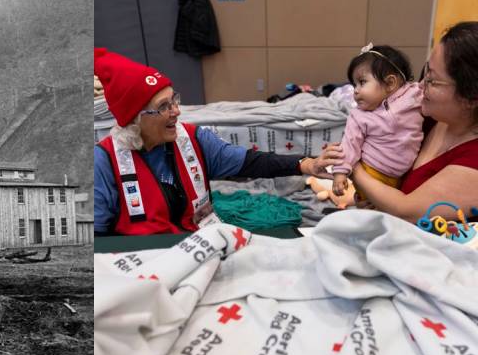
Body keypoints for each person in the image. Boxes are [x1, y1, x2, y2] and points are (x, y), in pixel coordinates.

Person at [93, 48, 342, 236]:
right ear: (135, 119)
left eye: (174, 100)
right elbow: (99, 237)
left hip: (198, 240)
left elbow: (249, 162)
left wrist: (306, 164)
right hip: (143, 257)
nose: (176, 111)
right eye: (163, 107)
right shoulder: (104, 161)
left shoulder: (193, 139)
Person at [351, 22, 478, 223]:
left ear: (471, 98)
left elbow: (407, 211)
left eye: (433, 81)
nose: (420, 85)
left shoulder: (473, 161)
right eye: (425, 72)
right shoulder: (426, 116)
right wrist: (371, 197)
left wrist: (353, 167)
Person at [332, 44, 424, 199]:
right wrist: (340, 172)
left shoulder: (414, 96)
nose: (355, 90)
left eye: (362, 82)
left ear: (390, 83)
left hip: (402, 177)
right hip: (372, 172)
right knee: (369, 211)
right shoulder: (359, 116)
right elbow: (349, 143)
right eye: (354, 84)